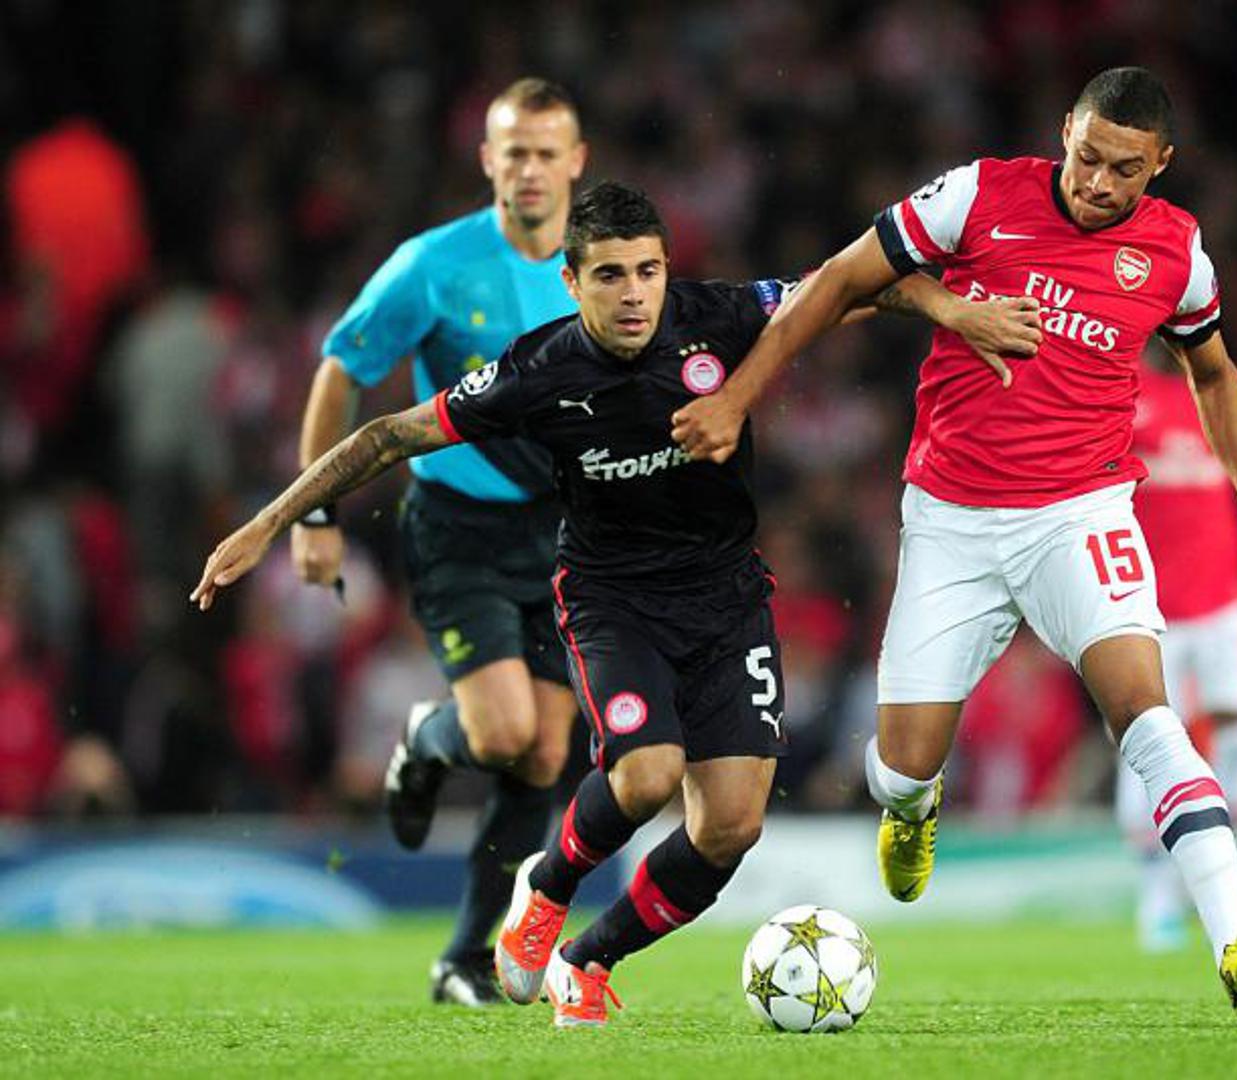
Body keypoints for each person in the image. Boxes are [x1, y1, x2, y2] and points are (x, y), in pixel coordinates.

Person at [194, 181, 1039, 1026]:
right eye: (609, 275)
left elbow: (856, 283)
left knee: (731, 827)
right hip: (613, 599)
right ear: (572, 282)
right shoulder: (537, 370)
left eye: (647, 271)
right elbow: (388, 435)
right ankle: (549, 884)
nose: (634, 293)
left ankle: (588, 959)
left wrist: (953, 309)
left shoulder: (721, 315)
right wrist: (268, 524)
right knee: (646, 775)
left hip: (726, 596)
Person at [672, 66, 1237, 1023]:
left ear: (1162, 165)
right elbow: (844, 278)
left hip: (1081, 514)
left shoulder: (1178, 253)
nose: (1098, 183)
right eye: (1087, 158)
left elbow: (1213, 374)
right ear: (1065, 131)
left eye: (1124, 170)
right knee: (901, 764)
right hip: (952, 521)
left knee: (1147, 715)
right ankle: (912, 807)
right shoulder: (979, 195)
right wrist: (736, 398)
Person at [291, 78, 588, 1005]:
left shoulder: (600, 268)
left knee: (545, 756)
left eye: (546, 153)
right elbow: (341, 369)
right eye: (514, 152)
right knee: (502, 733)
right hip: (459, 527)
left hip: (563, 534)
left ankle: (464, 956)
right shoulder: (431, 265)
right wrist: (314, 516)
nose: (530, 169)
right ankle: (427, 737)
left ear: (576, 162)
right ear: (487, 159)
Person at [1117, 341, 1237, 952]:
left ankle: (1219, 869)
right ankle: (1156, 894)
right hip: (1149, 607)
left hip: (1224, 598)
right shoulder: (1119, 385)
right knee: (1153, 741)